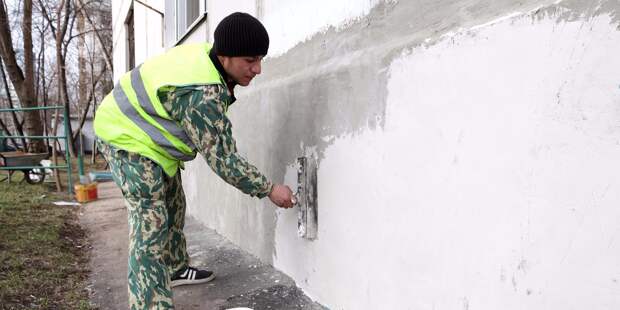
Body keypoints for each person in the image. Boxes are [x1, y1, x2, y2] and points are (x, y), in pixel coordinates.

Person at [93, 12, 295, 309]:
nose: (258, 69)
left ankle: (175, 268)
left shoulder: (208, 59)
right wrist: (269, 188)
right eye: (250, 60)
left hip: (147, 140)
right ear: (225, 56)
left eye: (260, 59)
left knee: (173, 203)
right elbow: (224, 160)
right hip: (124, 137)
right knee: (151, 225)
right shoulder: (201, 93)